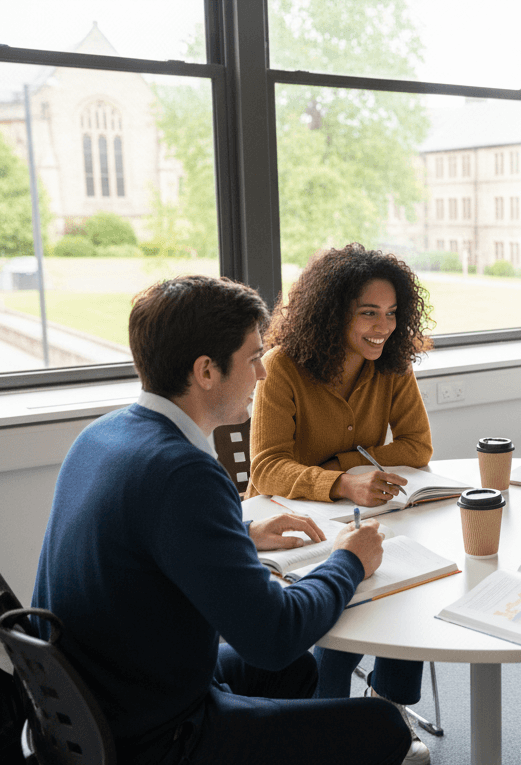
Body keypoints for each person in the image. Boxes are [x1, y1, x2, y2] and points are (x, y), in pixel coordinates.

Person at [31, 275, 410, 765]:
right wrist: (349, 561)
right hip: (157, 736)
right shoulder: (184, 472)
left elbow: (142, 545)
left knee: (298, 671)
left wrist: (243, 536)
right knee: (382, 726)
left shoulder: (102, 436)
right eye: (253, 358)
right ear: (206, 371)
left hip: (93, 708)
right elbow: (274, 635)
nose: (263, 374)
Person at [246, 243, 433, 764]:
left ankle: (387, 704)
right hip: (289, 524)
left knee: (408, 577)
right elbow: (267, 468)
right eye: (369, 312)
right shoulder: (282, 367)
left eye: (392, 313)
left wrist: (344, 465)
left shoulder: (393, 365)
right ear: (333, 314)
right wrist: (342, 480)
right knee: (347, 588)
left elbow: (417, 446)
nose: (383, 326)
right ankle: (325, 714)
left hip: (365, 513)